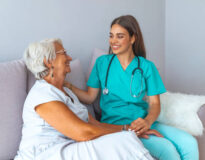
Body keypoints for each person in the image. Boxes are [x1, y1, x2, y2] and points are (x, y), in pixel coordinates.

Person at [64, 15, 199, 160]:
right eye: (111, 36)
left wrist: (147, 122)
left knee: (189, 142)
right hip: (116, 125)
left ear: (132, 38)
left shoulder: (146, 67)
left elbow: (154, 104)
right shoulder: (102, 63)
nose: (113, 41)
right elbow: (90, 97)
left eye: (120, 36)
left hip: (143, 122)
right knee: (167, 150)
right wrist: (67, 85)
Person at [14, 38, 160, 160]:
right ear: (48, 61)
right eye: (63, 53)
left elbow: (94, 124)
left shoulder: (67, 93)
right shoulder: (42, 94)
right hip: (45, 154)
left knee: (126, 139)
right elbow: (83, 133)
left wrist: (128, 128)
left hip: (68, 148)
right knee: (125, 140)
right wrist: (127, 133)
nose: (69, 57)